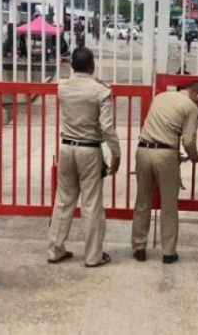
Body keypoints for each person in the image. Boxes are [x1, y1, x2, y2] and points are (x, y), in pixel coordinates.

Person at [48, 47, 121, 268]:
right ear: (92, 66)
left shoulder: (62, 87)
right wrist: (116, 153)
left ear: (72, 66)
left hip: (66, 148)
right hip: (89, 150)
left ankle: (55, 250)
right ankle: (92, 256)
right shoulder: (101, 91)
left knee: (63, 201)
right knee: (91, 204)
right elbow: (106, 127)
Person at [131, 81, 198, 264]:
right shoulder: (191, 107)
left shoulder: (160, 97)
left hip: (143, 150)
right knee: (169, 206)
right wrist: (194, 156)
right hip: (166, 155)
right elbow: (188, 141)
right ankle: (168, 252)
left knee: (142, 201)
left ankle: (139, 248)